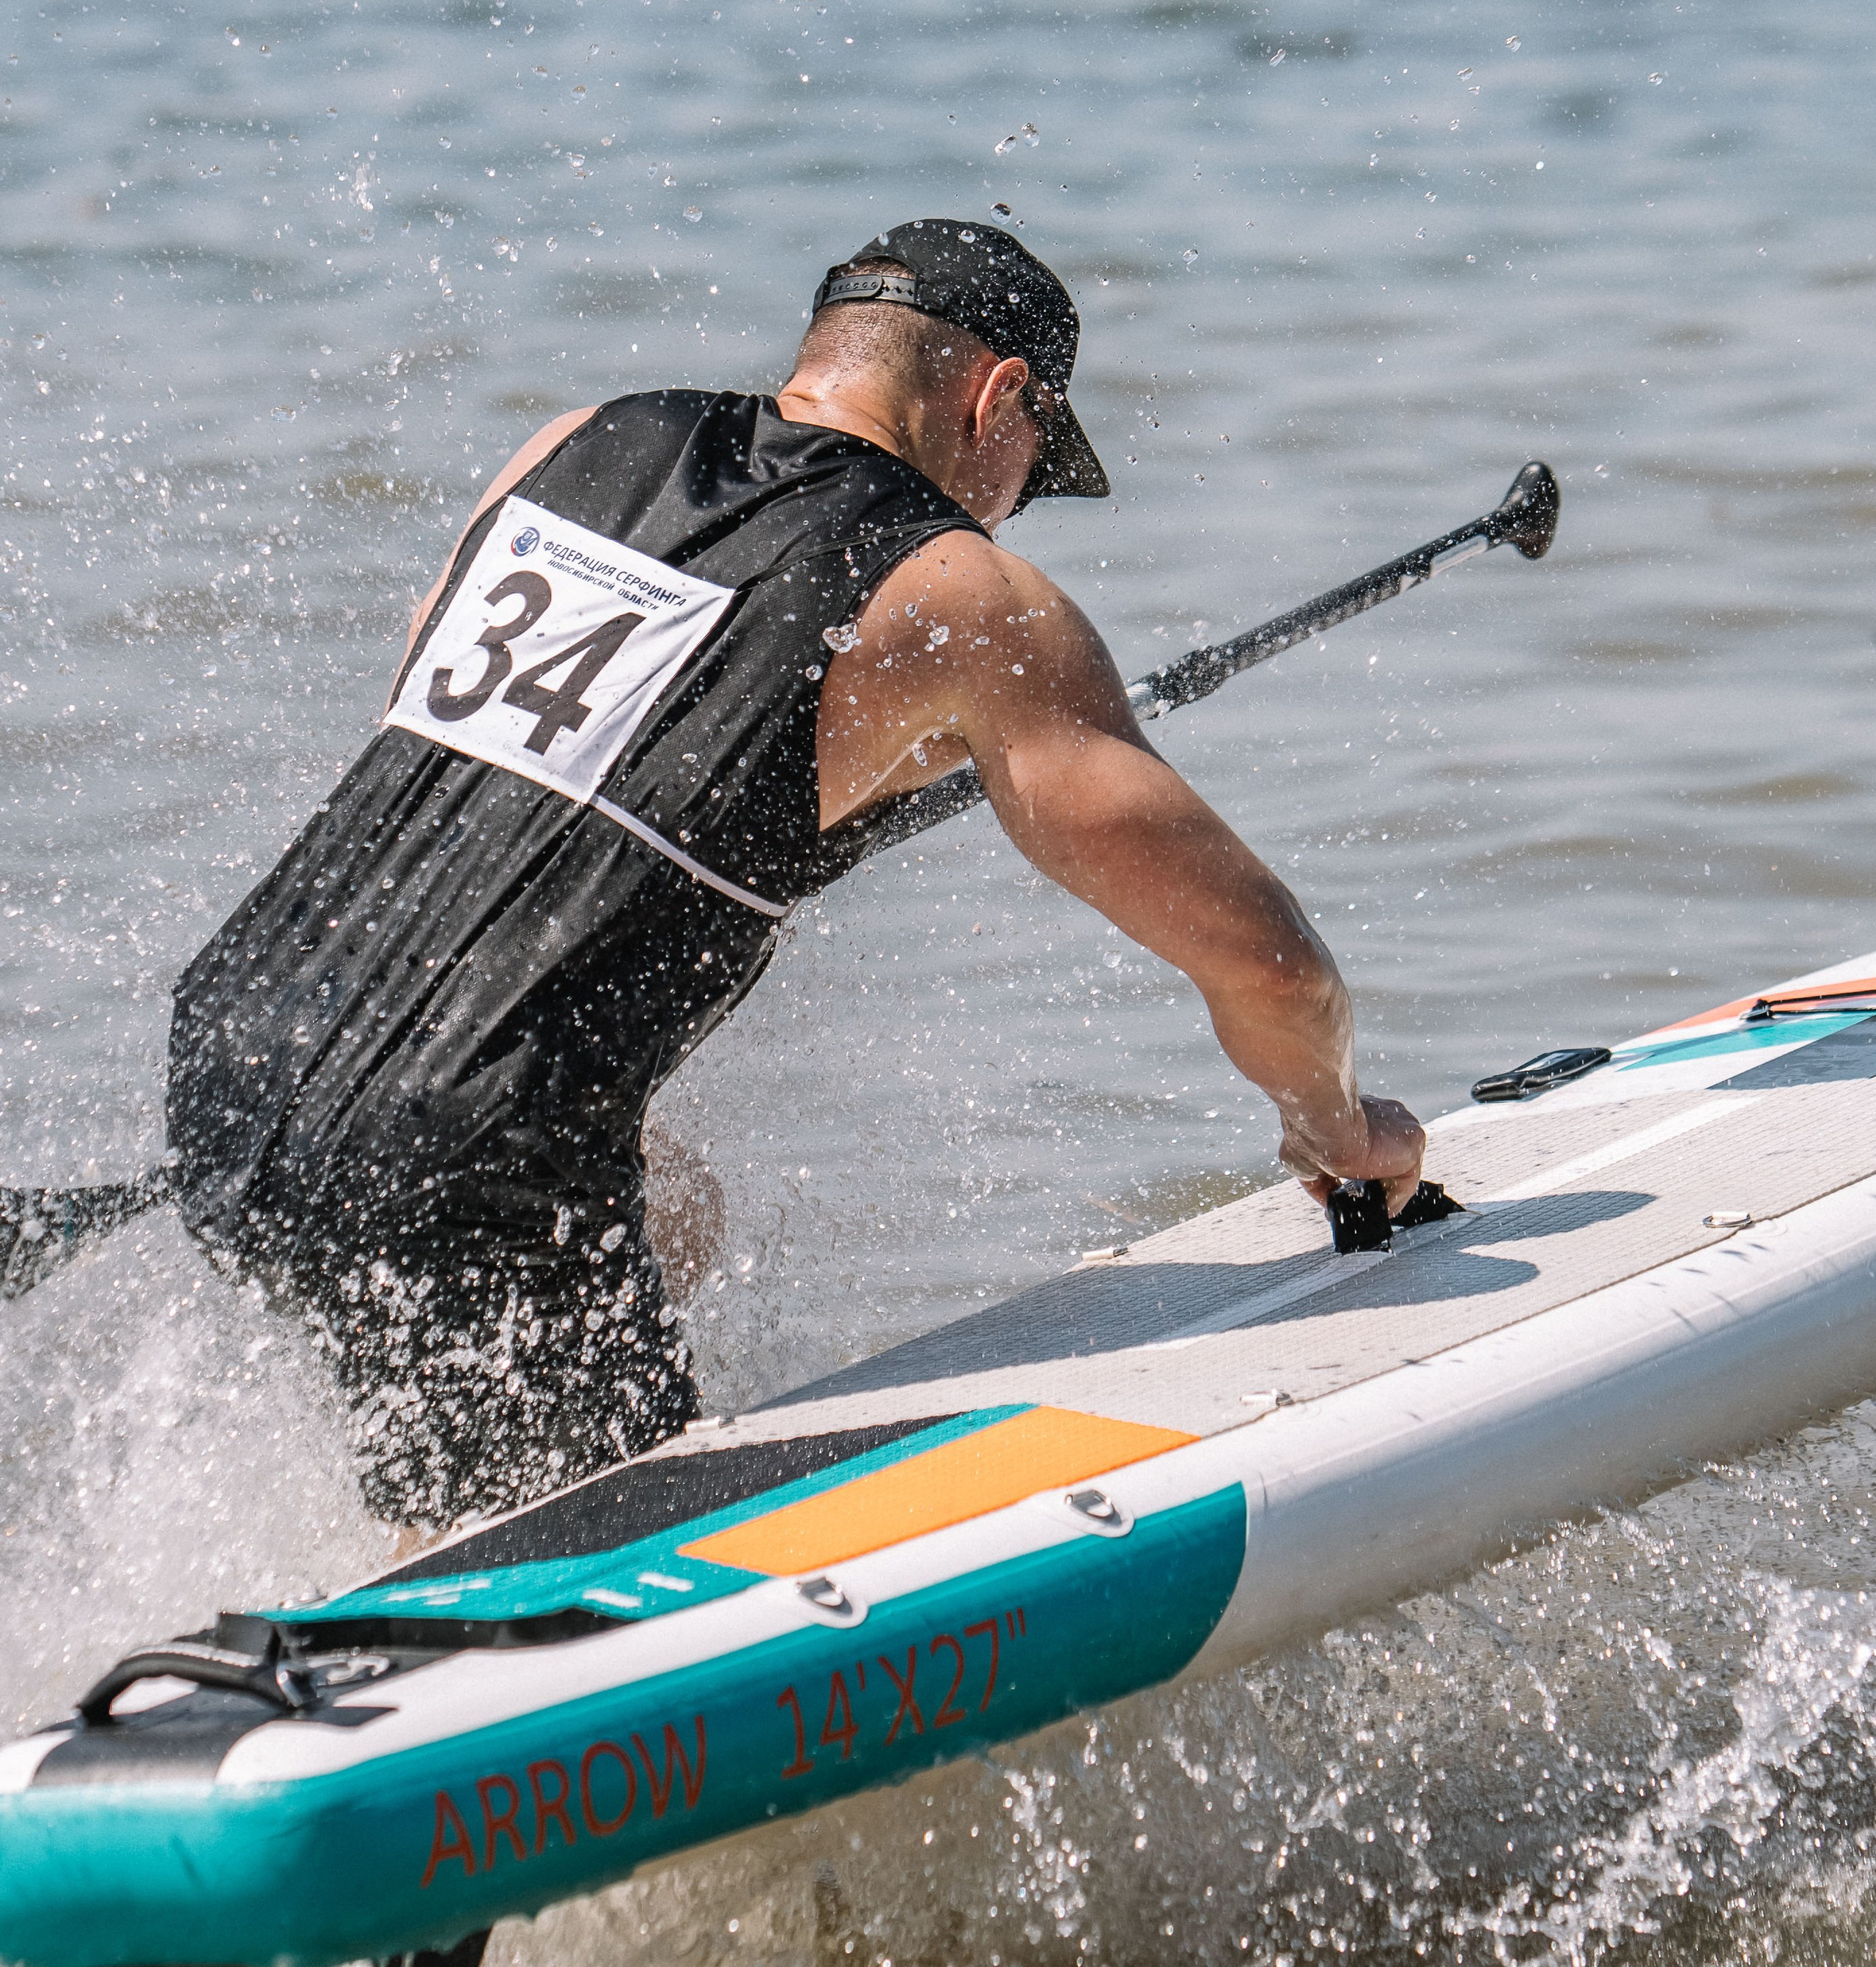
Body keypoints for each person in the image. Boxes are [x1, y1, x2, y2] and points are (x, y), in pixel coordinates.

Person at [167, 218, 1424, 1532]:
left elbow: (471, 765)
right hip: (472, 1154)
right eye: (1035, 469)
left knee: (671, 1212)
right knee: (580, 1597)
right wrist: (1339, 1130)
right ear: (1000, 401)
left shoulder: (580, 440)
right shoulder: (964, 595)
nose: (1011, 506)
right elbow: (1270, 965)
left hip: (237, 1045)